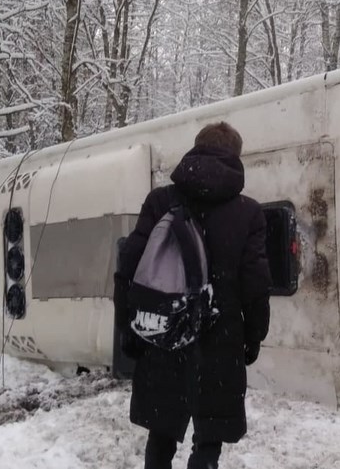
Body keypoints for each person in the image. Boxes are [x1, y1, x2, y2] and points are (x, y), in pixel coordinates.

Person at [115, 122, 271, 469]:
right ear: (235, 157)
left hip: (165, 331)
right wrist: (254, 335)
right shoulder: (248, 213)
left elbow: (128, 267)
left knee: (161, 431)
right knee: (209, 437)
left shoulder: (160, 201)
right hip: (221, 337)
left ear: (196, 148)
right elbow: (255, 284)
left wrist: (128, 328)